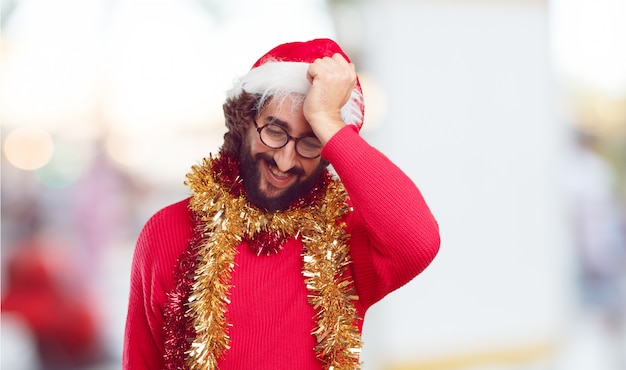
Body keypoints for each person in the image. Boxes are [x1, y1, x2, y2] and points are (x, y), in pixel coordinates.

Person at [123, 38, 440, 370]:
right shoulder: (167, 230)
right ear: (244, 121)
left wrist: (328, 120)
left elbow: (418, 240)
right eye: (275, 131)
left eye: (310, 142)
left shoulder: (342, 239)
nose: (286, 160)